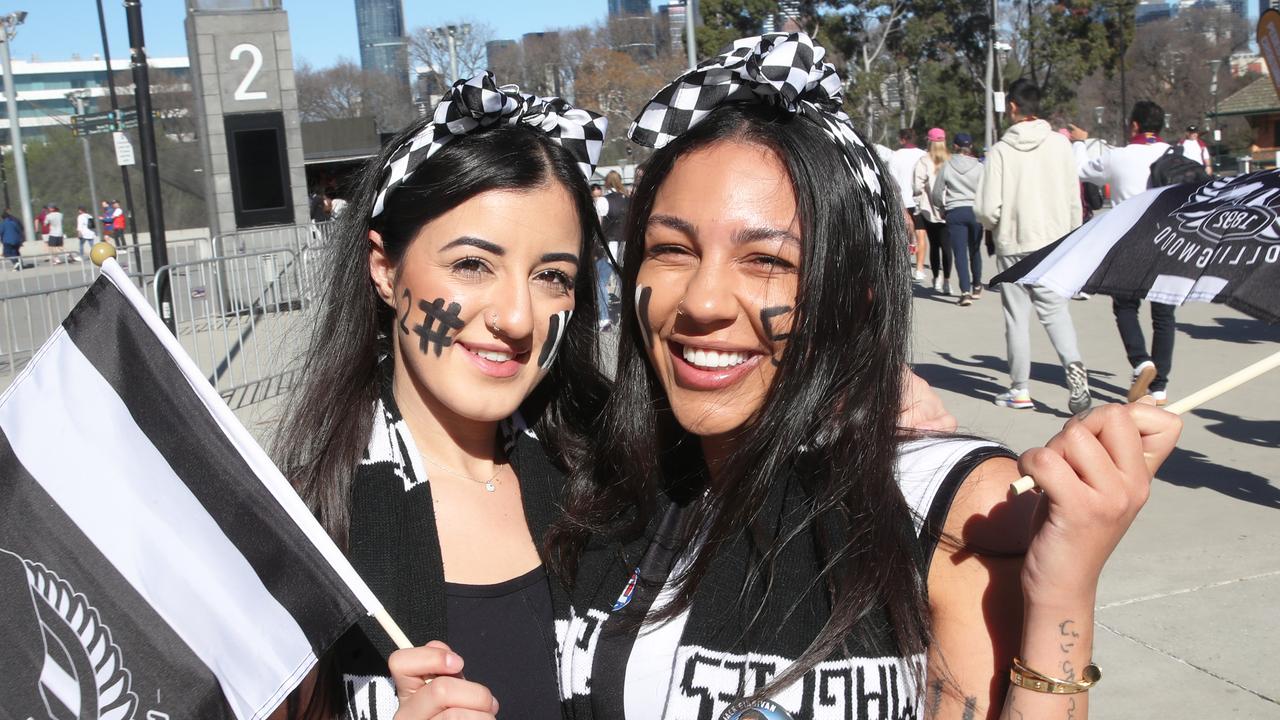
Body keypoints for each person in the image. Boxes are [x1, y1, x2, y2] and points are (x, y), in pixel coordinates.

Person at [538, 33, 1180, 720]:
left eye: (767, 261)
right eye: (670, 249)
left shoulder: (945, 511)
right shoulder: (592, 483)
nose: (700, 302)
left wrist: (1061, 592)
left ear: (854, 296)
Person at [976, 78, 1091, 414]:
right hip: (1053, 240)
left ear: (1012, 106)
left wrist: (992, 224)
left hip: (1014, 239)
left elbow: (987, 208)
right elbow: (1074, 197)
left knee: (1016, 317)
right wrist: (1073, 235)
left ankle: (1020, 389)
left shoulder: (1000, 151)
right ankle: (1075, 373)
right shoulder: (1060, 145)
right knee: (1056, 312)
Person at [1069, 101, 1179, 405]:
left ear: (1134, 126)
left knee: (1126, 307)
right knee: (1164, 314)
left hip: (1130, 241)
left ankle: (1141, 361)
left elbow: (1080, 170)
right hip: (1170, 240)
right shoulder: (1175, 155)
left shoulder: (1119, 157)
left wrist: (1080, 142)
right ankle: (1159, 386)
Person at [932, 132, 983, 306]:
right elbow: (986, 189)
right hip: (975, 210)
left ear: (954, 146)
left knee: (960, 253)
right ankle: (977, 285)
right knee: (975, 250)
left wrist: (941, 208)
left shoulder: (947, 166)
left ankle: (965, 292)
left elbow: (937, 192)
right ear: (970, 147)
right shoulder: (979, 166)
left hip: (955, 211)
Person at [913, 127, 951, 294]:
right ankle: (947, 281)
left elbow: (917, 185)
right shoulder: (950, 160)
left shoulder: (923, 161)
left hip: (928, 210)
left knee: (935, 245)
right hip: (949, 209)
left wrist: (917, 199)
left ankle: (936, 278)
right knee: (947, 246)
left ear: (929, 141)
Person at [888, 128, 928, 280]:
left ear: (902, 139)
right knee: (921, 233)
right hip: (919, 199)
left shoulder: (895, 156)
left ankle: (904, 266)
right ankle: (919, 268)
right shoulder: (923, 155)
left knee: (903, 235)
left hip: (902, 200)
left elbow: (892, 180)